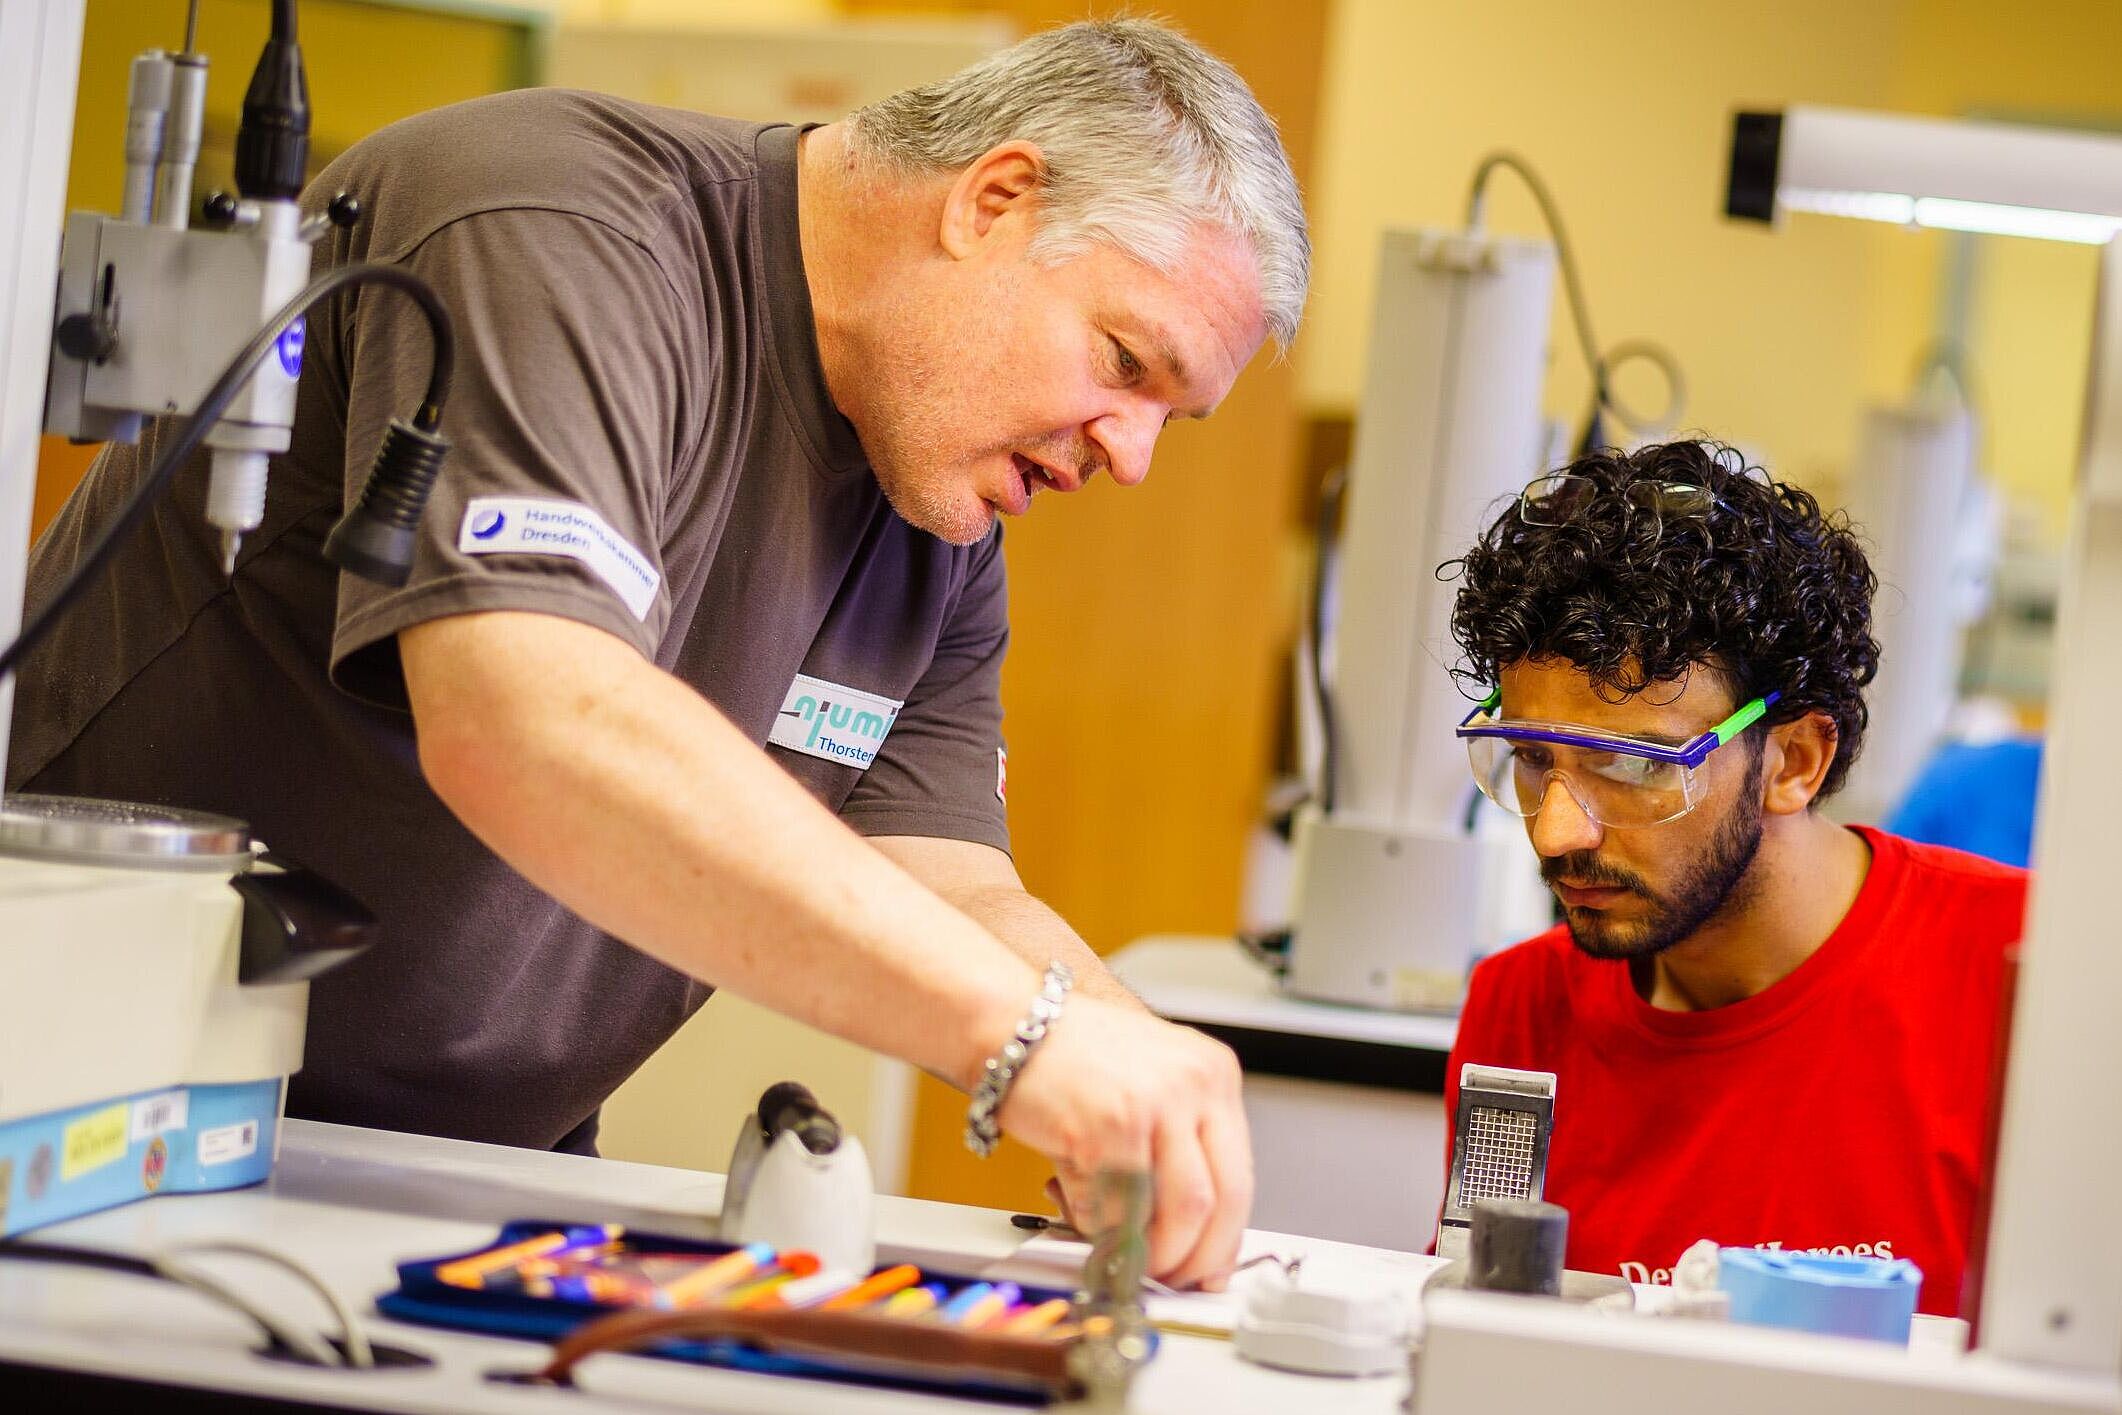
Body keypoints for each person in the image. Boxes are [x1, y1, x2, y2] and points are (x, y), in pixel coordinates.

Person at [8, 19, 1309, 1289]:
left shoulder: (939, 510)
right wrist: (1021, 1038)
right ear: (994, 200)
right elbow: (528, 715)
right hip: (103, 1117)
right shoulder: (561, 228)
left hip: (459, 1185)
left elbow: (945, 878)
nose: (1127, 457)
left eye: (1168, 420)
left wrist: (1121, 1050)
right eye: (1123, 363)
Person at [1437, 440, 2027, 1316]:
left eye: (1635, 768)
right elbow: (1478, 1342)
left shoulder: (2028, 978)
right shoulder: (1520, 1009)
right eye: (1528, 757)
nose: (1556, 831)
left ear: (1793, 760)